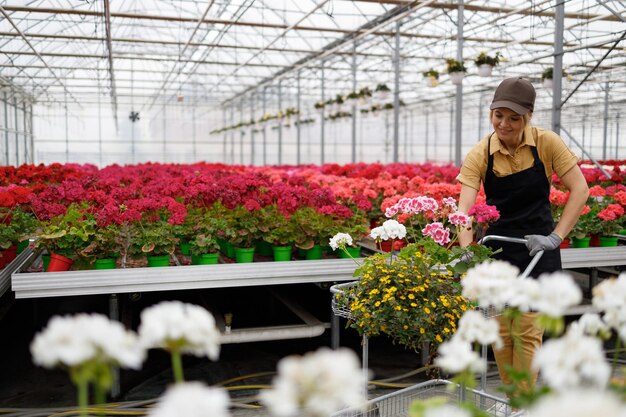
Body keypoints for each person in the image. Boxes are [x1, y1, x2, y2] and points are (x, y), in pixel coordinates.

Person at [456, 77, 589, 393]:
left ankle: (522, 402)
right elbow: (463, 210)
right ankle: (514, 403)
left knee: (528, 330)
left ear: (528, 116)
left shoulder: (547, 143)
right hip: (499, 251)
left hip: (539, 250)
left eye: (514, 118)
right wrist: (467, 252)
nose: (504, 124)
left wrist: (555, 237)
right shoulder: (481, 153)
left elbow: (580, 189)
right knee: (501, 330)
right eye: (498, 115)